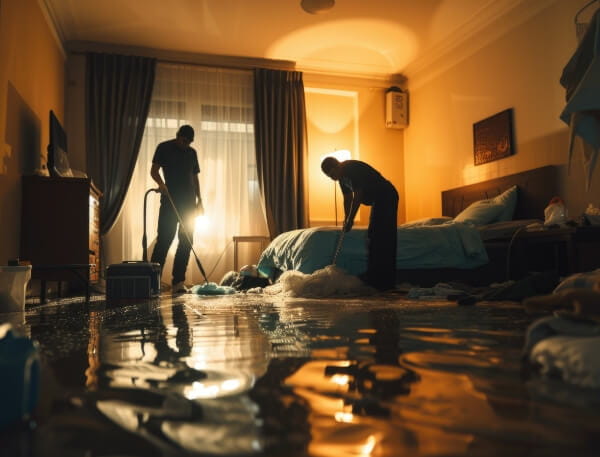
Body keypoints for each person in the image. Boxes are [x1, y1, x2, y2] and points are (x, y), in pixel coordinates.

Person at [321, 157, 398, 291]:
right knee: (373, 235)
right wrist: (346, 219)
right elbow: (347, 198)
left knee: (382, 235)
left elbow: (358, 196)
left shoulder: (351, 168)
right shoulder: (341, 179)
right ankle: (375, 276)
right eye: (330, 177)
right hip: (378, 200)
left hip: (387, 195)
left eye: (333, 174)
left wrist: (351, 218)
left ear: (338, 166)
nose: (333, 178)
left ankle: (384, 279)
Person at [150, 125, 203, 293]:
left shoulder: (192, 153)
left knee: (186, 241)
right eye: (185, 141)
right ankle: (153, 283)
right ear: (178, 136)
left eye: (190, 142)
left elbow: (194, 178)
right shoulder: (164, 148)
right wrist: (162, 185)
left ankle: (178, 282)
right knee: (164, 240)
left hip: (189, 205)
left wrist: (200, 200)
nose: (186, 144)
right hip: (170, 201)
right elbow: (154, 171)